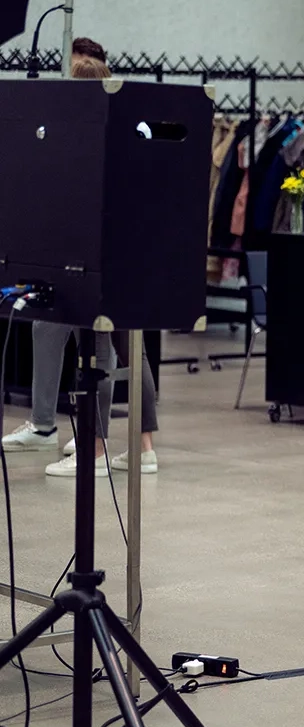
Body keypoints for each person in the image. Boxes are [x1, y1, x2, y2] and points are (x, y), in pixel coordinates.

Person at [0, 52, 161, 477]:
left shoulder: (85, 133)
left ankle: (95, 449)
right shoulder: (130, 129)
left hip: (95, 257)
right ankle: (130, 446)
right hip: (128, 253)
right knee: (109, 340)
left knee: (102, 346)